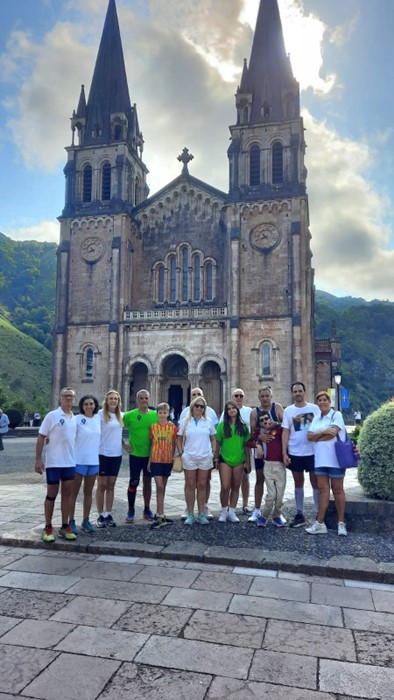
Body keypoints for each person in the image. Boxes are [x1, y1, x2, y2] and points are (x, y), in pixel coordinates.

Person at [34, 388, 77, 542]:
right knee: (51, 494)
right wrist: (38, 460)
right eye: (66, 396)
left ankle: (65, 526)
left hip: (69, 462)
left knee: (67, 495)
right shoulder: (52, 416)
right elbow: (41, 437)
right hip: (54, 462)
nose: (68, 399)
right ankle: (48, 527)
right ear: (60, 399)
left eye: (71, 397)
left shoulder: (74, 418)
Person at [306, 390, 348, 536]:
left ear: (329, 402)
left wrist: (318, 437)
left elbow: (333, 433)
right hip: (320, 459)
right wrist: (323, 433)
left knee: (337, 490)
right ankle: (320, 523)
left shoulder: (337, 415)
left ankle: (341, 523)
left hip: (335, 459)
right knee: (323, 491)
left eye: (325, 399)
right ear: (317, 403)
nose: (322, 402)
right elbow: (309, 436)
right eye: (320, 400)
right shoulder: (316, 418)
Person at [281, 382, 320, 527]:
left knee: (315, 482)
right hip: (295, 451)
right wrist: (284, 452)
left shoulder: (314, 409)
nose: (297, 393)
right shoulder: (289, 411)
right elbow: (285, 431)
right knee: (298, 482)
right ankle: (300, 513)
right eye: (295, 391)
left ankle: (317, 513)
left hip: (312, 451)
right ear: (292, 393)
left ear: (305, 392)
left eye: (300, 391)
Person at [180, 387, 218, 519]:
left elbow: (214, 436)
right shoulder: (185, 418)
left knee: (203, 484)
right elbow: (179, 436)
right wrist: (181, 453)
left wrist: (213, 453)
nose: (199, 407)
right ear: (192, 406)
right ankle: (189, 512)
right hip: (189, 456)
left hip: (205, 456)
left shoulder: (209, 417)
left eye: (202, 406)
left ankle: (203, 510)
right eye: (196, 405)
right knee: (190, 484)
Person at [248, 386, 284, 523]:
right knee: (260, 479)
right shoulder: (254, 412)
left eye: (267, 396)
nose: (265, 398)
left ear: (271, 396)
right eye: (262, 396)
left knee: (277, 483)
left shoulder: (277, 408)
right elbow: (252, 433)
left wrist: (276, 424)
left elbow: (285, 425)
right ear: (259, 397)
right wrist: (259, 439)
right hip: (261, 452)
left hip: (276, 452)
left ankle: (277, 512)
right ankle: (257, 510)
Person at [123, 389, 158, 523]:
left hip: (150, 455)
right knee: (134, 481)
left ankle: (147, 509)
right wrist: (124, 443)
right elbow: (119, 428)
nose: (144, 400)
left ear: (149, 399)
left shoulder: (155, 415)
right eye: (141, 398)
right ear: (138, 400)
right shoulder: (130, 415)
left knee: (148, 482)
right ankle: (131, 510)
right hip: (136, 454)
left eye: (146, 398)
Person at [68, 395, 100, 534]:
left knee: (88, 492)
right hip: (78, 460)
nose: (89, 406)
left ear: (95, 405)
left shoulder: (99, 418)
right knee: (73, 493)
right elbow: (67, 434)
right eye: (86, 404)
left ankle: (86, 520)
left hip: (93, 461)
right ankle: (71, 520)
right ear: (82, 406)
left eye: (91, 404)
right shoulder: (77, 419)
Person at [215, 400, 250, 523]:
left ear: (237, 410)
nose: (231, 410)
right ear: (226, 411)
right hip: (224, 459)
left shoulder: (243, 426)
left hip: (239, 459)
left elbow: (247, 445)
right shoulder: (221, 426)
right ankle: (224, 510)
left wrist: (248, 462)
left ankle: (232, 511)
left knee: (236, 486)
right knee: (225, 486)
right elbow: (218, 443)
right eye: (229, 409)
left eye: (233, 408)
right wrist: (215, 458)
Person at [96, 390, 124, 528]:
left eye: (116, 399)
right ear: (106, 400)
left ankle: (108, 513)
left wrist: (125, 445)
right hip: (102, 454)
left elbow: (118, 434)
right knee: (102, 485)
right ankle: (100, 514)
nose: (113, 401)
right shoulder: (100, 415)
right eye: (111, 398)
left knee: (111, 485)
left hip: (116, 454)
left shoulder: (121, 416)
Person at [148, 402, 177, 529]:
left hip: (167, 460)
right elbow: (152, 444)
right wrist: (149, 461)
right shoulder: (153, 427)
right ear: (157, 414)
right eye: (160, 413)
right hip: (156, 459)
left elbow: (175, 442)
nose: (163, 415)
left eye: (165, 412)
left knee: (163, 488)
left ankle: (161, 514)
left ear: (168, 413)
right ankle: (160, 515)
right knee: (159, 486)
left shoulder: (172, 427)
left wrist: (174, 456)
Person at [256, 412, 286, 527]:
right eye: (262, 420)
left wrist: (276, 423)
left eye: (266, 418)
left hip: (280, 466)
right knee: (271, 495)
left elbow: (288, 426)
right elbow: (250, 441)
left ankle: (277, 515)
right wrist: (258, 443)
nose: (265, 421)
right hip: (268, 465)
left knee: (280, 495)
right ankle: (264, 516)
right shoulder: (260, 433)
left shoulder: (278, 429)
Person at [229, 389, 252, 514]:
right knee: (230, 478)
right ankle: (230, 504)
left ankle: (245, 504)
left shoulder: (248, 411)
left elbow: (253, 429)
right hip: (231, 449)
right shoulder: (227, 412)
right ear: (232, 397)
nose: (238, 398)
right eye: (236, 396)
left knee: (245, 477)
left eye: (241, 396)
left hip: (245, 447)